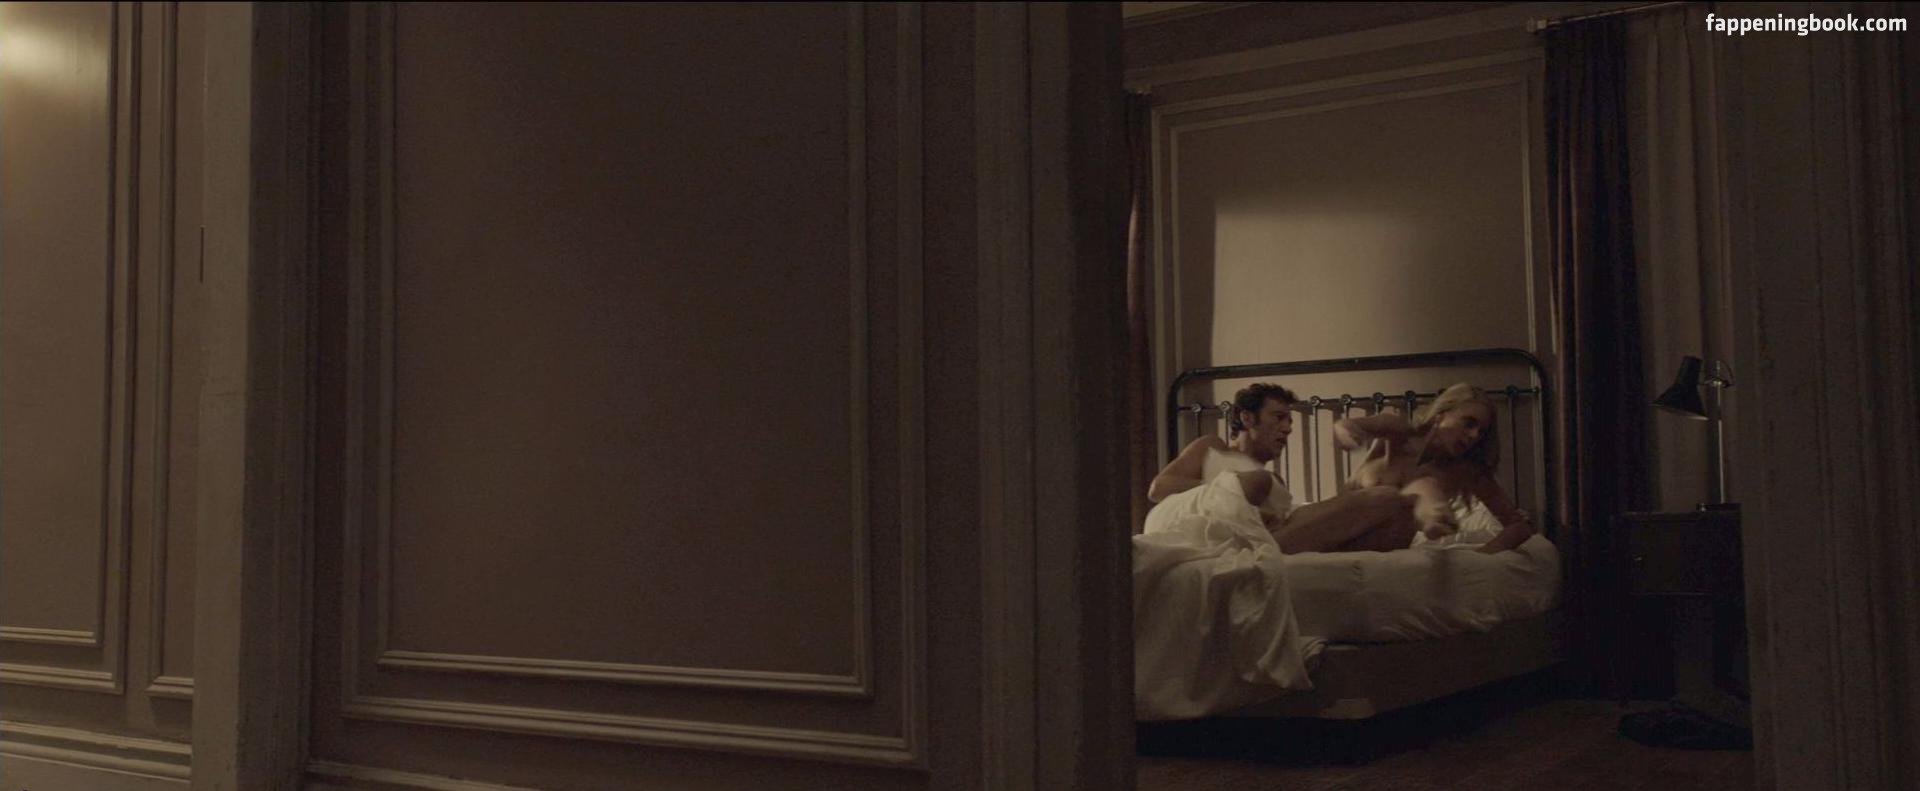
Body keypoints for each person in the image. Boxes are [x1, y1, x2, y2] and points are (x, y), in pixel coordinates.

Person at [1147, 382, 1416, 552]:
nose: (1287, 428)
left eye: (1289, 421)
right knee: (1385, 498)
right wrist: (1233, 491)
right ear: (1247, 418)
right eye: (1278, 417)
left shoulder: (1275, 479)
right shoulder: (1213, 447)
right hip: (1252, 537)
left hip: (1283, 531)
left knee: (1400, 517)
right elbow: (1159, 488)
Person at [1329, 382, 1535, 554]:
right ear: (1441, 415)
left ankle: (1433, 518)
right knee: (1406, 491)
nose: (1474, 436)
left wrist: (1483, 555)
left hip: (1375, 549)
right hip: (1335, 530)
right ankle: (1432, 516)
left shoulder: (1465, 471)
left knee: (1424, 487)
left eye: (1481, 432)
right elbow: (1350, 425)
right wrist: (1346, 431)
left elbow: (1519, 526)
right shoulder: (1398, 434)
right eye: (1468, 423)